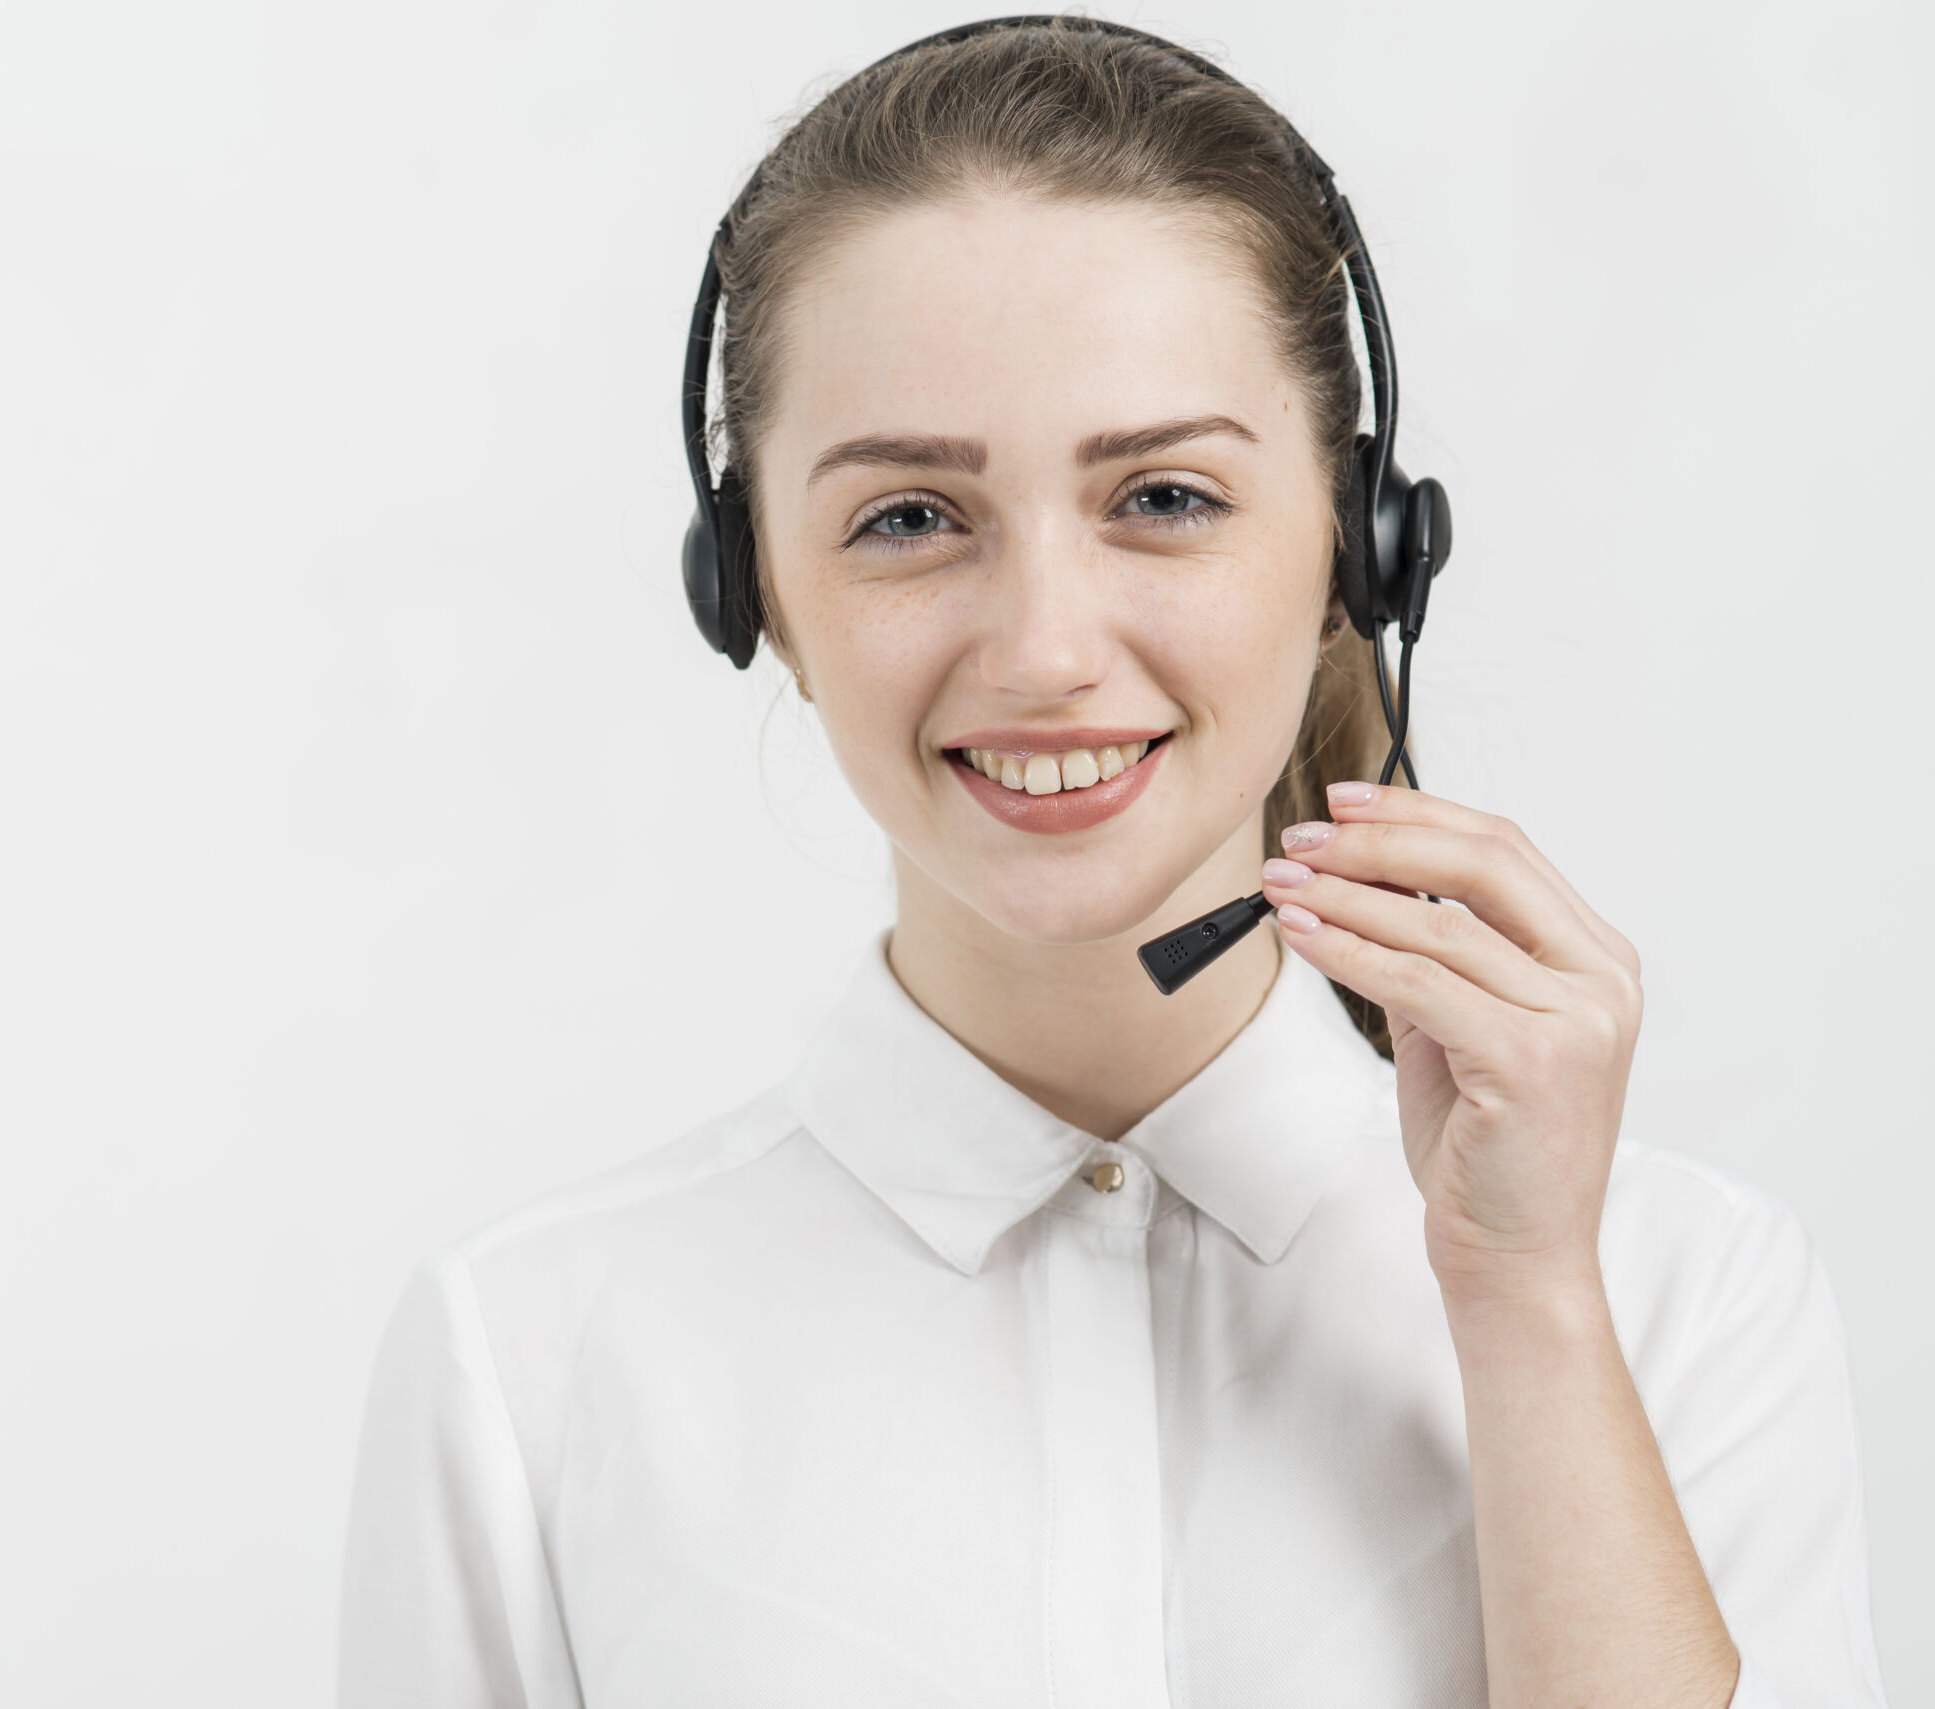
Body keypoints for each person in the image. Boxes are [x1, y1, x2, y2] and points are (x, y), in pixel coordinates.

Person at [335, 18, 1885, 1707]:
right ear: (752, 592)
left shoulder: (1678, 1299)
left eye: (1162, 494)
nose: (1047, 649)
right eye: (909, 517)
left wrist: (1525, 1311)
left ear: (1356, 555)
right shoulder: (531, 1364)